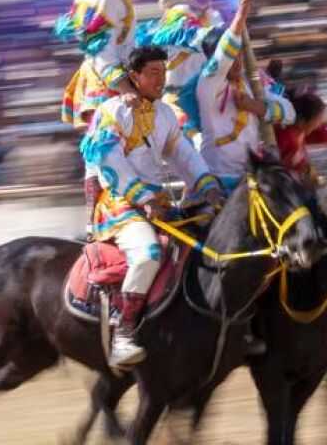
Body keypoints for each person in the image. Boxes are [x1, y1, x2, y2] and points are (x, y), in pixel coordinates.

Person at [80, 45, 222, 368]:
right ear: (134, 76)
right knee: (148, 254)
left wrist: (207, 185)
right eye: (154, 73)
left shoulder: (166, 114)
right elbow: (109, 162)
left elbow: (184, 154)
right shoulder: (112, 112)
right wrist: (143, 199)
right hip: (122, 204)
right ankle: (125, 334)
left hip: (158, 203)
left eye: (164, 72)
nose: (161, 80)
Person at [55, 0, 138, 234]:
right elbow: (103, 54)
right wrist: (129, 90)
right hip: (107, 84)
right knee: (101, 154)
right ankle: (97, 224)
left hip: (119, 70)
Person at [194, 0, 294, 189]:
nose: (237, 61)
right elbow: (224, 55)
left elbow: (289, 113)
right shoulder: (208, 84)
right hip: (218, 181)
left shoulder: (251, 86)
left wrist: (257, 107)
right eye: (233, 56)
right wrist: (240, 16)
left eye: (239, 54)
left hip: (252, 178)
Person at [137, 0, 226, 105]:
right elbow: (174, 44)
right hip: (178, 100)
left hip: (209, 99)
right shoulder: (178, 14)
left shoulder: (216, 17)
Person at [274, 84, 327, 188]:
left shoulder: (300, 134)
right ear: (302, 121)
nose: (318, 124)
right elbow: (277, 166)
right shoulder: (285, 136)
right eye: (316, 120)